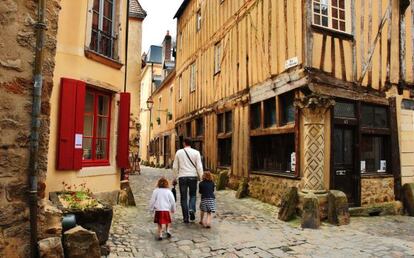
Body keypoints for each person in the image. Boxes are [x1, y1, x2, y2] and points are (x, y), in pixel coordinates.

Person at [172, 137, 203, 223]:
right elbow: (199, 166)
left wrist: (175, 178)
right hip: (193, 176)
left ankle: (185, 217)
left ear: (184, 143)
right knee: (193, 195)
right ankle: (192, 209)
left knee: (183, 198)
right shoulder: (196, 153)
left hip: (182, 177)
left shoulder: (179, 152)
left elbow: (175, 167)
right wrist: (201, 177)